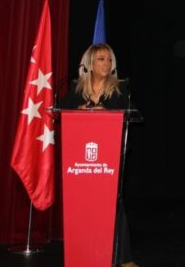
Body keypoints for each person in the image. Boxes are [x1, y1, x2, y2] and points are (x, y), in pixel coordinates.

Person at [61, 44, 137, 267]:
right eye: (102, 59)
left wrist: (110, 114)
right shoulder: (76, 88)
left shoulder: (121, 88)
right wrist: (78, 112)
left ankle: (124, 258)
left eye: (109, 60)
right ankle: (84, 253)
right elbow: (60, 110)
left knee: (114, 202)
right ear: (90, 64)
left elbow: (131, 112)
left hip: (111, 155)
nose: (107, 64)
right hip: (79, 160)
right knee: (83, 203)